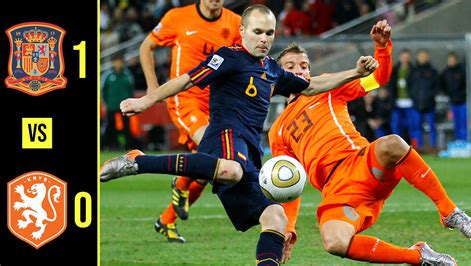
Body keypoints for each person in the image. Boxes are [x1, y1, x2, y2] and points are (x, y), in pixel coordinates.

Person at [101, 5, 379, 264]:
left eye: (269, 33)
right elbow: (186, 79)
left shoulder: (272, 68)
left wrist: (354, 72)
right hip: (223, 137)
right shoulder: (228, 57)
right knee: (231, 170)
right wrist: (146, 100)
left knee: (276, 217)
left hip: (249, 152)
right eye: (257, 32)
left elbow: (311, 85)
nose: (264, 38)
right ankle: (137, 161)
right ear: (243, 31)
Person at [269, 20, 471, 265]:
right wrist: (289, 229)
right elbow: (289, 184)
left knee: (393, 143)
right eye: (290, 67)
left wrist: (382, 48)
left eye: (304, 65)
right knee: (334, 242)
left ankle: (450, 212)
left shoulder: (327, 87)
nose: (300, 71)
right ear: (278, 76)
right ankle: (418, 256)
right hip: (337, 191)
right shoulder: (277, 130)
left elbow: (378, 78)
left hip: (362, 162)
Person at [139, 0, 242, 243]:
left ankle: (167, 218)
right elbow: (146, 47)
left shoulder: (235, 23)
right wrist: (153, 89)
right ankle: (181, 183)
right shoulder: (177, 17)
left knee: (210, 168)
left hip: (217, 104)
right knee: (212, 152)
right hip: (185, 99)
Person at [101, 53, 135, 150]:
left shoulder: (127, 75)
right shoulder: (108, 75)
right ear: (113, 62)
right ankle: (110, 145)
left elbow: (131, 89)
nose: (118, 64)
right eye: (116, 61)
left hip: (125, 106)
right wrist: (104, 103)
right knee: (110, 126)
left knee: (126, 127)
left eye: (120, 61)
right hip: (111, 105)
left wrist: (131, 103)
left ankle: (128, 146)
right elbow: (104, 90)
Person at [408, 49, 439, 151]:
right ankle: (418, 148)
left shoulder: (433, 71)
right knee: (416, 128)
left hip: (430, 105)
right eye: (421, 56)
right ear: (418, 57)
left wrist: (430, 97)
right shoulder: (413, 71)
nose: (423, 58)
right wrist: (414, 98)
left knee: (432, 127)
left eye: (425, 56)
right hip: (416, 105)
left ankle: (433, 147)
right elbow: (409, 86)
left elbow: (436, 87)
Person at [387, 48, 415, 146]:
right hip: (397, 103)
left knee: (412, 126)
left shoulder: (414, 70)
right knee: (396, 126)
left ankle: (414, 147)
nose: (405, 59)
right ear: (400, 57)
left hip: (410, 103)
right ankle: (398, 147)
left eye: (406, 57)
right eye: (403, 57)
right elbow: (390, 86)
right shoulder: (394, 70)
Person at [440, 51, 467, 141]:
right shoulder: (445, 72)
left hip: (463, 102)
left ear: (456, 60)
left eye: (453, 60)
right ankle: (458, 142)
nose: (451, 61)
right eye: (450, 60)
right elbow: (442, 86)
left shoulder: (462, 71)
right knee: (455, 124)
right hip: (452, 103)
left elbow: (467, 85)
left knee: (463, 124)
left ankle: (464, 142)